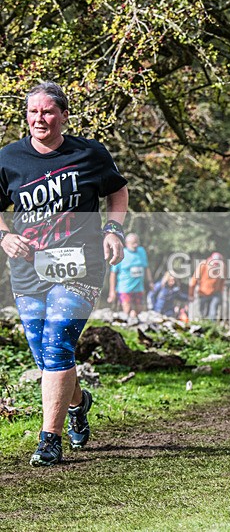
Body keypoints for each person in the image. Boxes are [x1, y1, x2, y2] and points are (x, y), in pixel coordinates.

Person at [0, 81, 129, 466]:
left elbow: (117, 192)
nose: (39, 118)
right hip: (28, 271)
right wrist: (5, 237)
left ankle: (48, 439)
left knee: (58, 343)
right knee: (47, 357)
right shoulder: (8, 159)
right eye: (33, 112)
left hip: (81, 264)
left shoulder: (89, 153)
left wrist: (113, 229)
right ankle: (78, 401)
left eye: (48, 111)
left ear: (63, 115)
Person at [107, 233, 152, 319]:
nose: (136, 245)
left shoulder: (141, 251)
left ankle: (136, 329)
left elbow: (146, 268)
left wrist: (150, 282)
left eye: (137, 242)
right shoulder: (120, 254)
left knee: (139, 311)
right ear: (126, 243)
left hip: (139, 288)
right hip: (125, 288)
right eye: (133, 243)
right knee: (127, 311)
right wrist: (112, 291)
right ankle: (127, 328)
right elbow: (113, 274)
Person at [188, 251, 226, 320]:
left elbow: (222, 281)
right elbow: (194, 280)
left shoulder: (222, 267)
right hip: (203, 292)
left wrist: (221, 291)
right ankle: (203, 324)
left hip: (215, 293)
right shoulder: (203, 265)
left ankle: (212, 326)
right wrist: (191, 294)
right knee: (203, 312)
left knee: (213, 311)